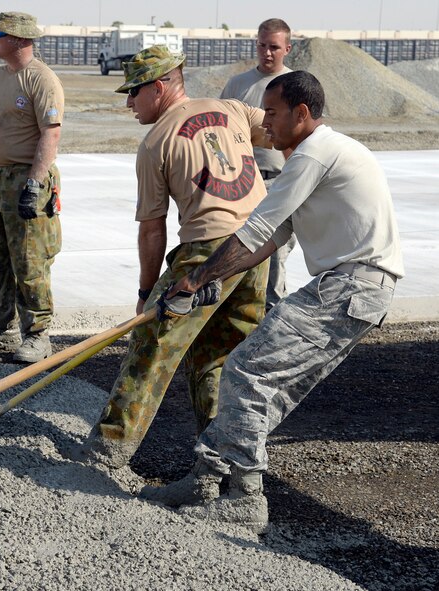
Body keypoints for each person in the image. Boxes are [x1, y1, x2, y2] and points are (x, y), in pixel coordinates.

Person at [140, 71, 404, 533]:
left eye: (275, 113)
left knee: (245, 370)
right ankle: (206, 479)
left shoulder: (314, 153)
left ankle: (244, 500)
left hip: (349, 288)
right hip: (352, 288)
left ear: (302, 113)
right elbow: (273, 237)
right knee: (265, 385)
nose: (266, 123)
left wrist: (194, 277)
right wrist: (211, 282)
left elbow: (259, 230)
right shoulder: (318, 153)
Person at [73, 45, 271, 468]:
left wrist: (147, 292)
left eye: (134, 93)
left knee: (152, 345)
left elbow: (152, 228)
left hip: (208, 252)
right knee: (222, 356)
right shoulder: (232, 108)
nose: (128, 103)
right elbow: (280, 130)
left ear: (160, 87)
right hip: (258, 247)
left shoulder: (156, 141)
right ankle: (224, 460)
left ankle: (106, 451)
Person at [0, 11, 64, 364]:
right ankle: (2, 330)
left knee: (29, 261)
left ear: (19, 39)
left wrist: (34, 184)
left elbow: (51, 134)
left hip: (26, 178)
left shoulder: (42, 80)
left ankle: (37, 335)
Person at [220, 18, 295, 312]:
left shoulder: (297, 85)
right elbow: (220, 131)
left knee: (275, 258)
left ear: (287, 48)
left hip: (281, 183)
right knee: (234, 252)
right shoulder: (237, 85)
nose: (267, 52)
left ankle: (272, 321)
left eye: (274, 47)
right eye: (262, 45)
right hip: (244, 183)